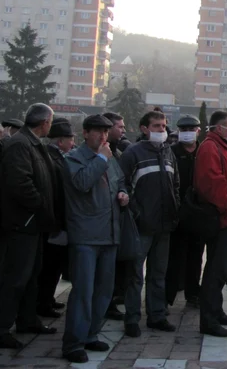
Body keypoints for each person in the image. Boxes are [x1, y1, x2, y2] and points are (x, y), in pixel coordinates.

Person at [61, 115, 130, 364]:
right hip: (86, 235)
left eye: (105, 132)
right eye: (98, 132)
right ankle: (73, 343)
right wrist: (101, 158)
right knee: (83, 290)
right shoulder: (73, 159)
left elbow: (120, 181)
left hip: (110, 233)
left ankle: (91, 334)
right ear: (86, 133)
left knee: (103, 290)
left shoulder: (109, 159)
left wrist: (123, 193)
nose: (103, 137)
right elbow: (81, 183)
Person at [0, 104, 57, 350]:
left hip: (34, 223)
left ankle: (27, 319)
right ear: (45, 122)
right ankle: (2, 328)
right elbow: (20, 183)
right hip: (22, 222)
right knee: (15, 278)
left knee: (32, 274)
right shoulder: (21, 144)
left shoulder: (31, 143)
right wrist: (39, 205)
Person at [120, 111, 180, 337]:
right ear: (144, 128)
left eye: (163, 126)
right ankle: (132, 319)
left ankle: (157, 316)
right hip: (141, 225)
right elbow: (123, 185)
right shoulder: (132, 153)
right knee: (136, 275)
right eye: (156, 126)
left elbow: (175, 185)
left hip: (164, 226)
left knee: (158, 274)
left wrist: (175, 211)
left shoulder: (168, 153)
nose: (161, 130)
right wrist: (136, 213)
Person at [194, 111, 227, 337]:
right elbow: (211, 184)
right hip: (221, 219)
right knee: (216, 271)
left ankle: (216, 311)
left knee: (221, 270)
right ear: (218, 128)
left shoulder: (222, 147)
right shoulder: (210, 147)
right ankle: (208, 320)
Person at [165, 115, 205, 309]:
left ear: (199, 131)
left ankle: (193, 292)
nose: (188, 132)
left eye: (192, 129)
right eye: (184, 129)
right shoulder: (171, 152)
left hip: (198, 212)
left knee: (196, 256)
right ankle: (168, 294)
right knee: (175, 256)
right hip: (177, 211)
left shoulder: (203, 152)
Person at [36, 118, 74, 319]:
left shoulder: (56, 157)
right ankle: (43, 303)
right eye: (70, 139)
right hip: (55, 222)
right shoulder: (53, 159)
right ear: (60, 141)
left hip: (57, 221)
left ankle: (47, 299)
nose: (73, 144)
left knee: (55, 265)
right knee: (50, 266)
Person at [102, 112, 129, 321]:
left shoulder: (117, 151)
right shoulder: (101, 153)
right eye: (119, 127)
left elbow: (119, 179)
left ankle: (110, 299)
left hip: (115, 217)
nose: (123, 130)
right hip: (99, 221)